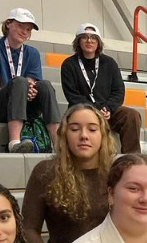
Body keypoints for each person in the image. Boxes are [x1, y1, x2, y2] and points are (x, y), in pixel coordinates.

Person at [22, 104, 113, 243]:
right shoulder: (45, 172)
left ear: (103, 135)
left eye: (92, 129)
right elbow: (28, 230)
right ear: (64, 134)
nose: (84, 136)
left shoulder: (116, 174)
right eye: (75, 129)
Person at [0, 8, 61, 153]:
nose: (24, 31)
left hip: (25, 106)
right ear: (8, 24)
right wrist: (19, 89)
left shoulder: (32, 53)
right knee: (19, 82)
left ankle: (58, 143)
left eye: (28, 29)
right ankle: (14, 142)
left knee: (45, 85)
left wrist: (24, 91)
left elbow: (32, 86)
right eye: (20, 26)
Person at [60, 23, 142, 154]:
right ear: (78, 41)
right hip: (82, 111)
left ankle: (131, 158)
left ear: (98, 42)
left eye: (93, 37)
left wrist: (108, 108)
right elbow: (72, 95)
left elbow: (118, 91)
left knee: (131, 115)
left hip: (107, 110)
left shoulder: (109, 63)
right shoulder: (69, 65)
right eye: (84, 37)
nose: (89, 41)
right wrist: (95, 109)